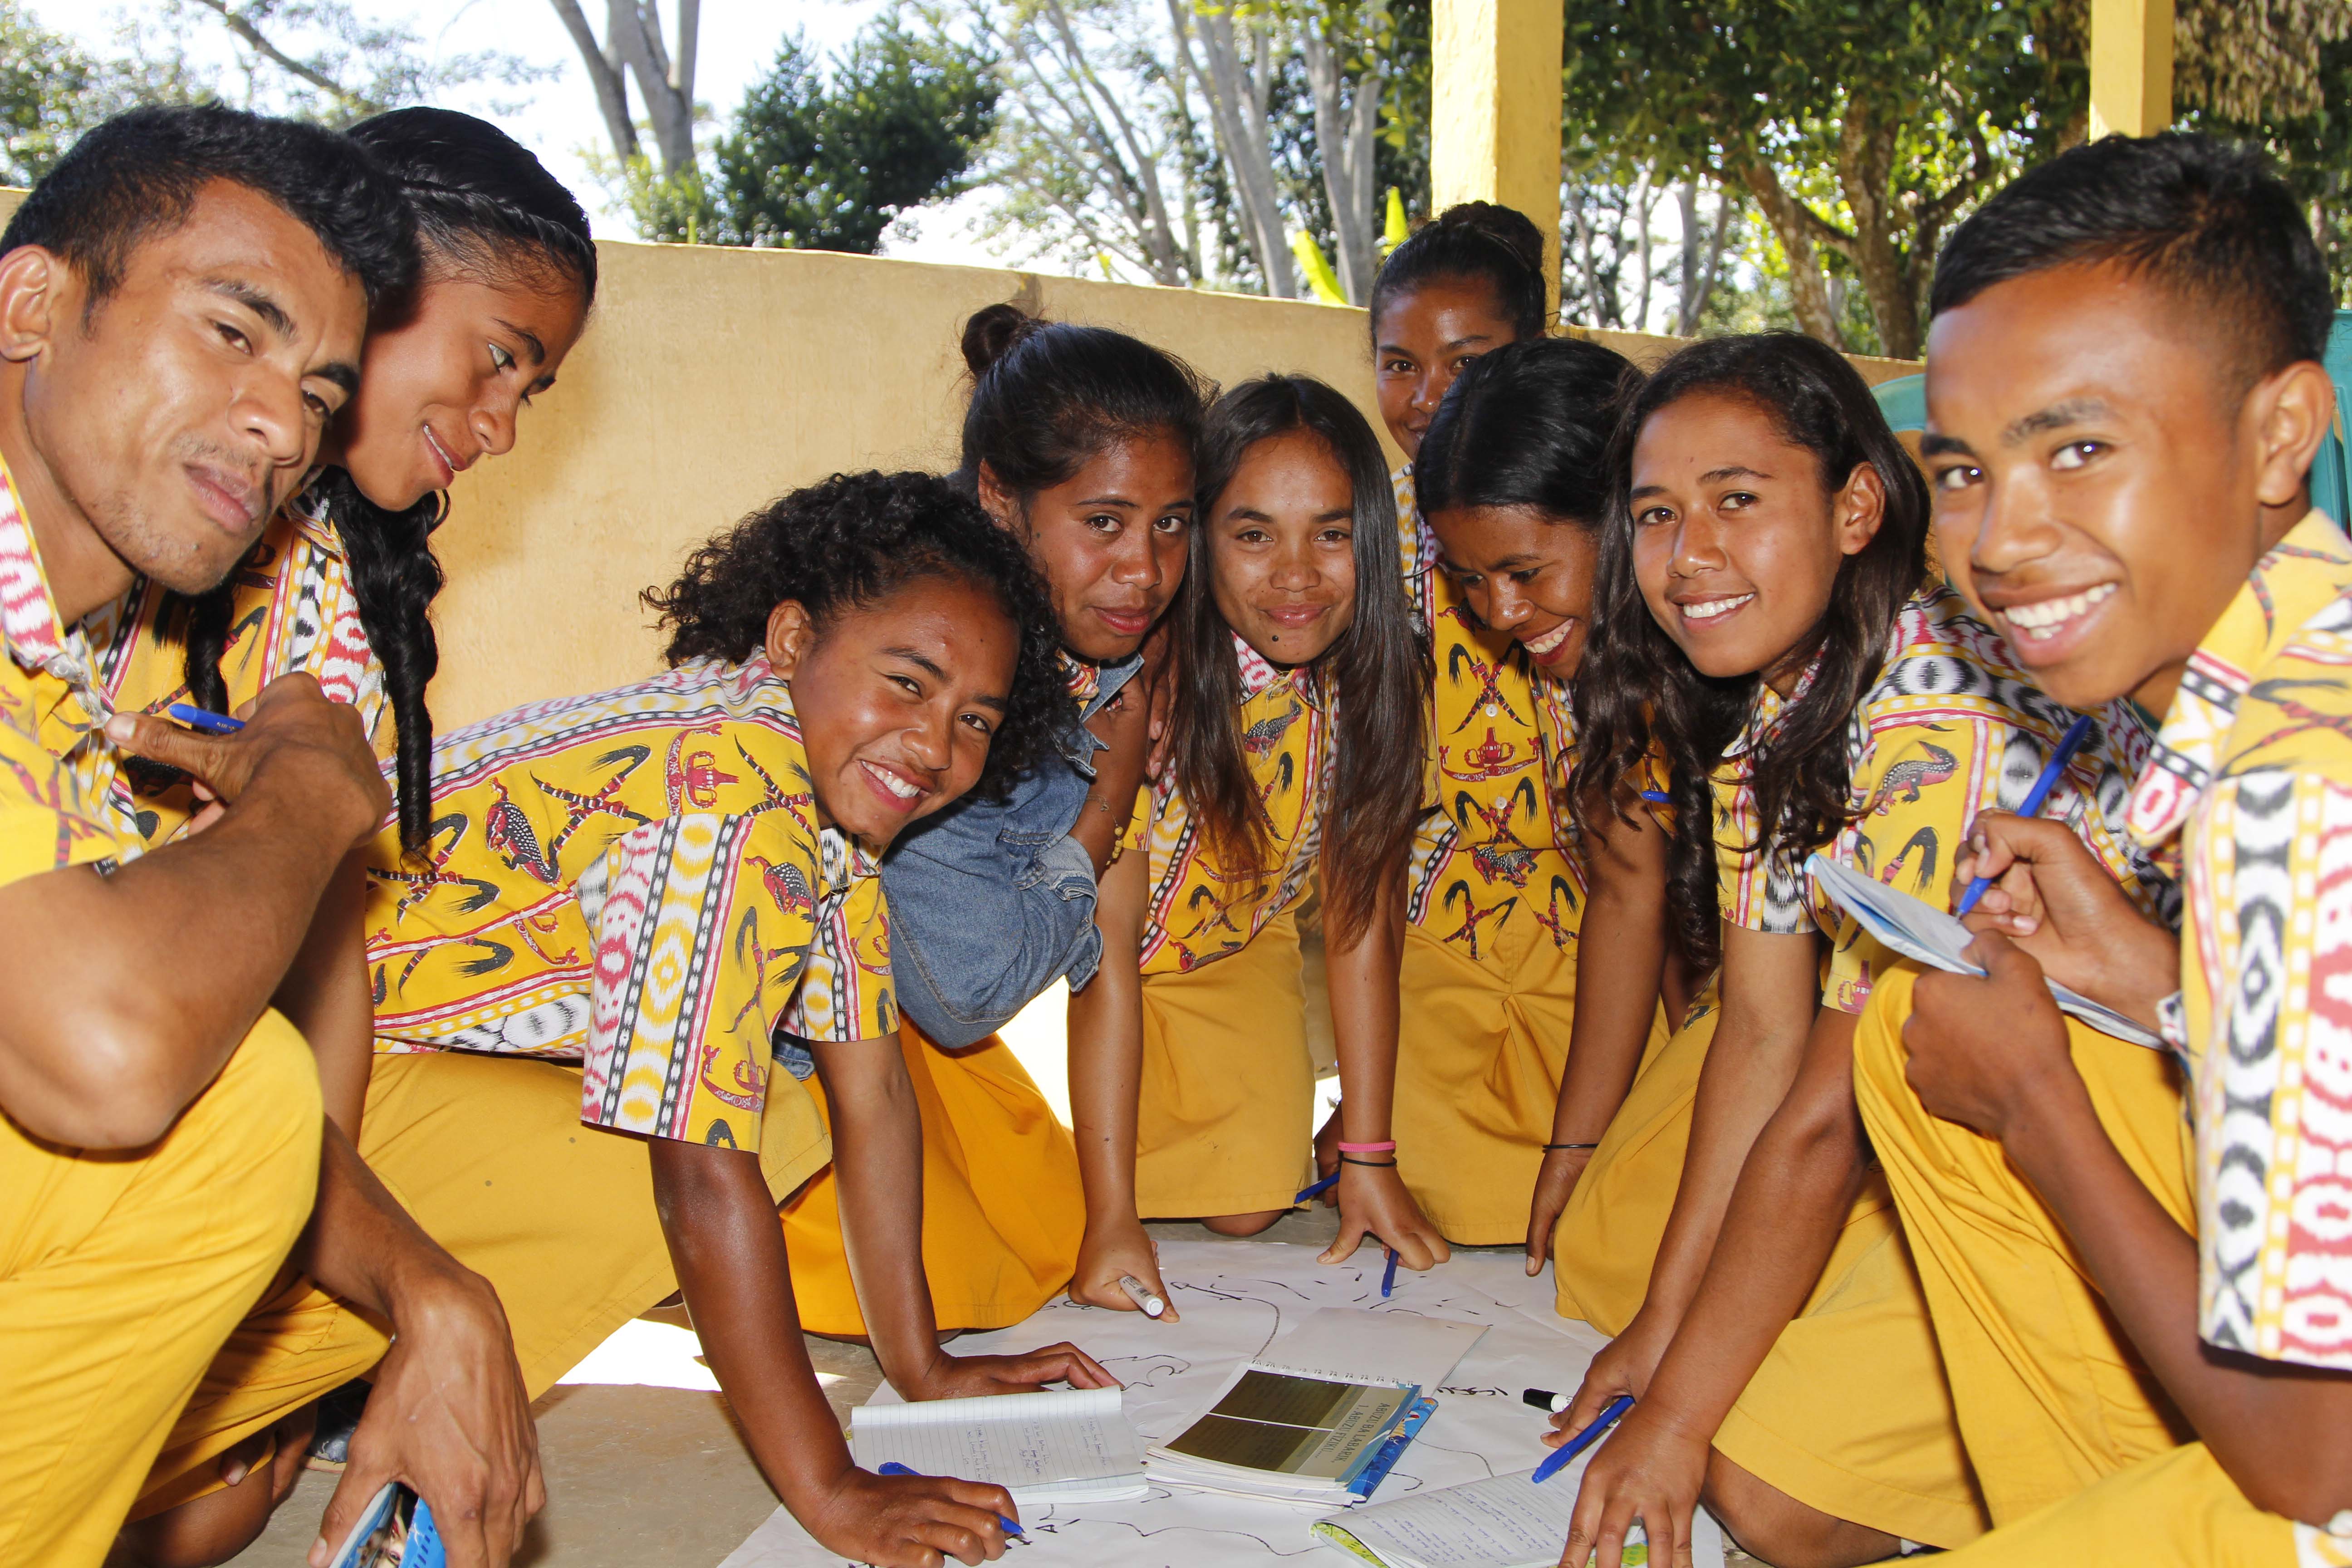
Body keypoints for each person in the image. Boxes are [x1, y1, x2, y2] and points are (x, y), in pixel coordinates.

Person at [161, 471, 1108, 1568]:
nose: (935, 744)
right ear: (794, 638)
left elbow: (875, 1091)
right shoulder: (736, 794)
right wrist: (834, 1491)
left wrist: (923, 1365)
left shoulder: (827, 802)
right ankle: (241, 1376)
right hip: (247, 1075)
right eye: (908, 682)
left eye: (974, 721)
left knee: (782, 1109)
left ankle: (260, 1399)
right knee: (675, 1150)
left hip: (354, 1063)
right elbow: (695, 1176)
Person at [1555, 333, 2170, 1568]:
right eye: (1657, 515)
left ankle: (2175, 1446)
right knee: (1629, 1274)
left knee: (1761, 1492)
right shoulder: (1773, 728)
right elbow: (1761, 1037)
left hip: (2116, 1120)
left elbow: (1827, 1118)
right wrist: (1664, 1331)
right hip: (1958, 1118)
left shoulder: (1931, 718)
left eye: (1739, 501)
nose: (1691, 557)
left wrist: (1676, 1417)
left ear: (1854, 509)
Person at [99, 108, 603, 1566]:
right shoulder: (148, 510)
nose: (503, 424)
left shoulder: (344, 589)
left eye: (538, 389)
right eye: (499, 355)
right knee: (183, 1522)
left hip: (233, 1115)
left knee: (681, 1127)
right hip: (103, 1078)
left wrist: (294, 1270)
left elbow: (327, 971)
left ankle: (300, 1383)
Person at [1857, 132, 2352, 1563]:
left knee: (1982, 1062)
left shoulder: (2292, 801)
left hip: (2315, 1478)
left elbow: (2319, 1468)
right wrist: (2160, 980)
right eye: (1964, 468)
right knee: (1912, 1024)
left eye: (2080, 449)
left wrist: (2038, 1108)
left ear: (2280, 432)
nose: (2003, 540)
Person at [0, 104, 418, 1568]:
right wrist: (312, 790)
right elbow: (107, 1055)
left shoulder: (70, 653)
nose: (282, 424)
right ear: (32, 304)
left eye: (316, 388)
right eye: (234, 332)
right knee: (223, 1114)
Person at [782, 304, 1206, 1333]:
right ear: (1000, 504)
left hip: (890, 1019)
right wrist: (1106, 795)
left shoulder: (1106, 659)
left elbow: (1109, 945)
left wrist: (1118, 1217)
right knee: (951, 1280)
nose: (1144, 569)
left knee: (1052, 1235)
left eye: (1171, 524)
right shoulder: (950, 696)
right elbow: (968, 997)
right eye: (1103, 523)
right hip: (776, 1044)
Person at [1070, 373, 1446, 1286]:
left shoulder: (1372, 684)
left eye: (1331, 533)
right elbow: (1104, 952)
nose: (1295, 577)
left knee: (1247, 1206)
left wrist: (1369, 1154)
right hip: (1100, 975)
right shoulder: (1144, 698)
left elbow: (1361, 922)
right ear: (1199, 539)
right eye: (1252, 535)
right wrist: (1110, 1219)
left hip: (1238, 947)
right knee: (1036, 1215)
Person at [1366, 202, 1672, 1245]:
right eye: (1398, 364)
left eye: (1467, 359)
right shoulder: (1408, 531)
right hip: (1466, 921)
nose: (1496, 612)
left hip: (1624, 932)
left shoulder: (1686, 622)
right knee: (1458, 1195)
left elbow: (1644, 892)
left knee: (1634, 1219)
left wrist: (1587, 1140)